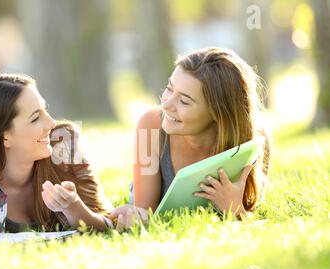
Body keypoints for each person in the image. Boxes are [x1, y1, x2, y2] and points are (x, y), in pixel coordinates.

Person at [0, 73, 113, 238]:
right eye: (35, 118)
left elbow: (108, 225)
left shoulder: (64, 143)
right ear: (4, 136)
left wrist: (73, 207)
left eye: (45, 110)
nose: (50, 123)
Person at [110, 47, 271, 231]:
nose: (167, 104)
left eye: (184, 101)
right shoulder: (150, 126)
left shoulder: (252, 138)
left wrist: (235, 211)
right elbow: (144, 217)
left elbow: (250, 222)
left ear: (217, 113)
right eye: (169, 89)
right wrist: (136, 218)